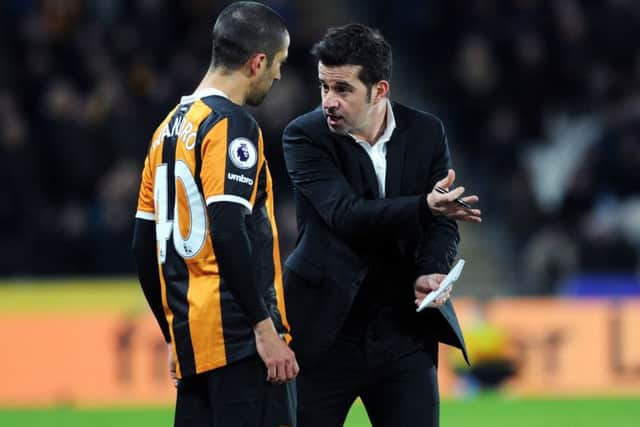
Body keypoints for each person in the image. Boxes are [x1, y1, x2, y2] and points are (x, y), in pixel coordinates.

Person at [282, 24, 481, 427]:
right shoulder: (304, 136)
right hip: (324, 332)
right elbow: (347, 215)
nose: (329, 102)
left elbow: (443, 226)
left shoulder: (426, 132)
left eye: (342, 89)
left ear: (380, 90)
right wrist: (426, 206)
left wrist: (430, 269)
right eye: (323, 87)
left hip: (402, 333)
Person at [131, 3, 298, 427]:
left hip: (194, 349)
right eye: (277, 64)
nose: (277, 76)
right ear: (256, 62)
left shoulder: (164, 132)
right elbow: (226, 229)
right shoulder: (230, 124)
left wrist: (173, 336)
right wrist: (264, 328)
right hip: (242, 345)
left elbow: (142, 248)